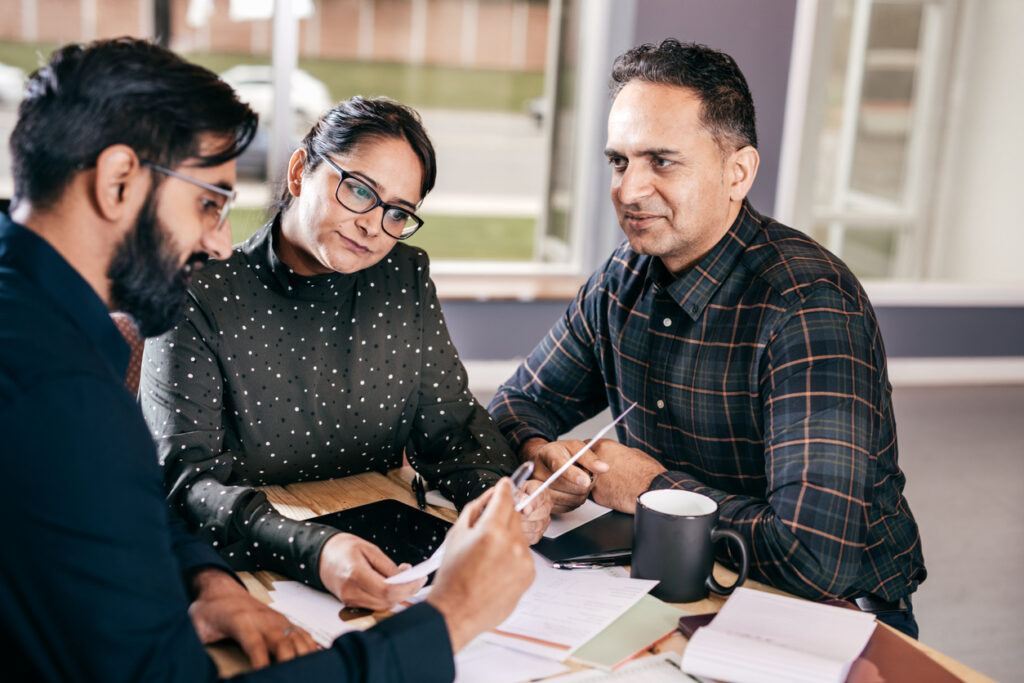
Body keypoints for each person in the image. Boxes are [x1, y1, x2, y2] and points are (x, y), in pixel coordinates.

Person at [0, 38, 534, 681]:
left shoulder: (51, 340)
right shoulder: (60, 398)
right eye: (208, 202)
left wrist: (208, 581)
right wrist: (450, 620)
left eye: (398, 213)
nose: (220, 242)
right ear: (117, 182)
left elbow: (126, 509)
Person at [488, 39, 926, 638]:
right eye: (619, 161)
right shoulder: (624, 277)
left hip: (834, 618)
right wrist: (546, 455)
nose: (629, 190)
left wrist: (649, 489)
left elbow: (815, 557)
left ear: (737, 172)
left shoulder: (807, 305)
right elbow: (514, 406)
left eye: (661, 161)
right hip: (679, 585)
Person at [139, 96, 551, 610]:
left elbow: (452, 430)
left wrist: (496, 494)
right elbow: (186, 482)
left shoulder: (404, 276)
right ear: (299, 172)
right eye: (359, 190)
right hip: (254, 570)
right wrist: (314, 549)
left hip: (394, 554)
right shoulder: (200, 290)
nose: (373, 226)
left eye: (399, 212)